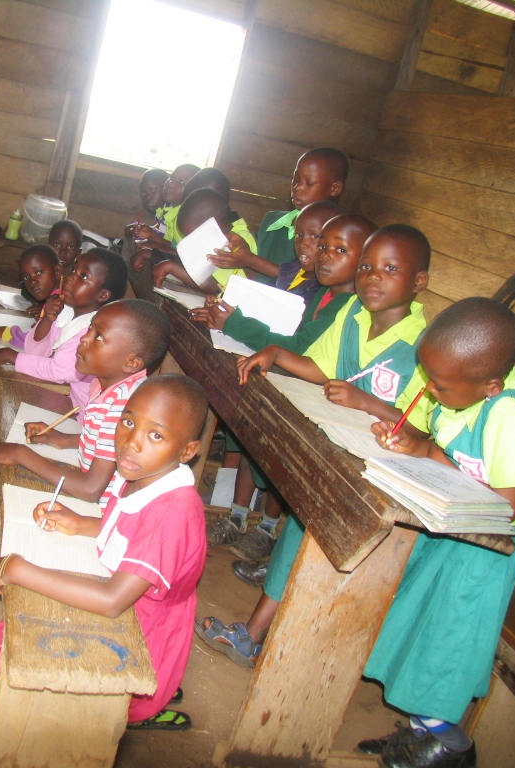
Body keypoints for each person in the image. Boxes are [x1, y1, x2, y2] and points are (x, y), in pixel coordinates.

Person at [195, 223, 432, 667]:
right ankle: (254, 632)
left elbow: (421, 433)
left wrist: (367, 402)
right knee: (304, 525)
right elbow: (321, 368)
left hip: (382, 473)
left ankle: (301, 651)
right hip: (334, 449)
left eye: (390, 269)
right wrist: (278, 355)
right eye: (367, 266)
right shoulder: (353, 314)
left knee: (333, 546)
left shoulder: (424, 345)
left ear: (419, 283)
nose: (373, 277)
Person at [357, 297, 515, 768]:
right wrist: (418, 449)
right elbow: (450, 454)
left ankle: (450, 746)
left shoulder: (506, 417)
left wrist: (434, 464)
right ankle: (421, 733)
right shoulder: (468, 393)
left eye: (439, 386)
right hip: (449, 536)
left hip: (482, 555)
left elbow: (507, 503)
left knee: (446, 646)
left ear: (490, 384)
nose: (430, 390)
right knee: (417, 630)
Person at [0, 374, 210, 731]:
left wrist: (15, 569)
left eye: (154, 435)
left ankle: (144, 705)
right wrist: (82, 523)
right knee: (11, 635)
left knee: (28, 666)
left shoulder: (173, 513)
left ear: (187, 451)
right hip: (124, 592)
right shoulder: (146, 475)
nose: (131, 443)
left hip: (136, 627)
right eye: (128, 422)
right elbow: (129, 530)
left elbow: (113, 600)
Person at [193, 212, 375, 569]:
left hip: (313, 398)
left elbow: (299, 345)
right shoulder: (324, 293)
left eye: (339, 250)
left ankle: (266, 527)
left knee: (282, 461)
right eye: (323, 246)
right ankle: (237, 516)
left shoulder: (345, 306)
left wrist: (237, 324)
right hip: (287, 381)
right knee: (252, 444)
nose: (324, 255)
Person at [0, 299, 171, 596]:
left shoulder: (127, 406)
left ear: (131, 363)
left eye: (98, 336)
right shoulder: (111, 385)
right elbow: (103, 444)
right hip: (92, 495)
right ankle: (13, 536)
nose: (83, 338)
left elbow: (91, 488)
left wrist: (23, 454)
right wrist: (60, 439)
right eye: (89, 329)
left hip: (99, 514)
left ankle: (29, 551)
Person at [0, 248, 127, 419]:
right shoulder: (67, 310)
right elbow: (34, 351)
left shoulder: (94, 331)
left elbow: (61, 372)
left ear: (103, 295)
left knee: (18, 412)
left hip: (89, 418)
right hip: (72, 400)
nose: (71, 276)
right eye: (74, 269)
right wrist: (48, 319)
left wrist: (13, 357)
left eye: (83, 276)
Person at [208, 147, 348, 286]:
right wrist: (244, 255)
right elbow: (258, 280)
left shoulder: (334, 238)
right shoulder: (272, 222)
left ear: (335, 188)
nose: (297, 187)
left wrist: (250, 260)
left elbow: (304, 284)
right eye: (296, 179)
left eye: (309, 183)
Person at [149, 188, 258, 294]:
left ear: (216, 226)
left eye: (195, 237)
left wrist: (170, 267)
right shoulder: (217, 237)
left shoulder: (237, 243)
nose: (193, 242)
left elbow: (214, 286)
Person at [0, 245, 61, 348]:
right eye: (26, 277)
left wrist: (6, 333)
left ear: (57, 271)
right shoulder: (53, 299)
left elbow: (37, 344)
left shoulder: (59, 303)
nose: (32, 281)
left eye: (39, 272)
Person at [129, 163, 200, 252]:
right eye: (172, 177)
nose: (171, 183)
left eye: (181, 182)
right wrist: (149, 232)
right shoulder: (166, 208)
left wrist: (152, 237)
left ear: (193, 192)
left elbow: (178, 250)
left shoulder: (184, 218)